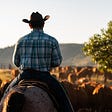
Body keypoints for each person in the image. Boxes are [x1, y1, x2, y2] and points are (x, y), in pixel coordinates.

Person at [1, 11, 74, 112]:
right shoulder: (52, 40)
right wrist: (46, 63)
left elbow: (16, 62)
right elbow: (57, 62)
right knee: (63, 100)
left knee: (5, 95)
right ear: (43, 24)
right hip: (44, 76)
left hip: (24, 75)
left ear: (30, 25)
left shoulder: (21, 41)